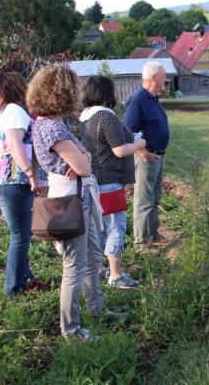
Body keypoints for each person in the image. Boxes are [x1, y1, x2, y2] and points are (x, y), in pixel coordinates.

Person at [27, 64, 123, 341]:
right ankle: (71, 329)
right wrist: (83, 158)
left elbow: (82, 162)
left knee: (93, 258)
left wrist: (83, 159)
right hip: (71, 201)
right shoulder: (53, 127)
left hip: (77, 197)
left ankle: (96, 310)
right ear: (63, 93)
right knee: (74, 266)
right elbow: (83, 165)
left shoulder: (48, 124)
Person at [79, 76, 146, 289]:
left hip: (93, 181)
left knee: (98, 228)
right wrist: (138, 144)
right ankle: (116, 275)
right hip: (110, 180)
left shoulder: (84, 118)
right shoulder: (106, 117)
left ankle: (99, 269)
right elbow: (119, 150)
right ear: (108, 93)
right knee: (116, 227)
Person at [0, 72, 44, 296]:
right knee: (20, 235)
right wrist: (30, 173)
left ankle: (24, 277)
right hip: (13, 181)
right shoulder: (16, 112)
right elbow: (15, 145)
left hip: (0, 180)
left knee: (20, 233)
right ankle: (14, 288)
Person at [124, 62, 172, 251]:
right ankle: (141, 241)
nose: (166, 80)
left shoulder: (152, 98)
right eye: (163, 77)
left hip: (158, 156)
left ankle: (152, 233)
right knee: (144, 199)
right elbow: (128, 131)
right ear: (154, 79)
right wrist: (142, 152)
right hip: (146, 157)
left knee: (155, 197)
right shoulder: (137, 100)